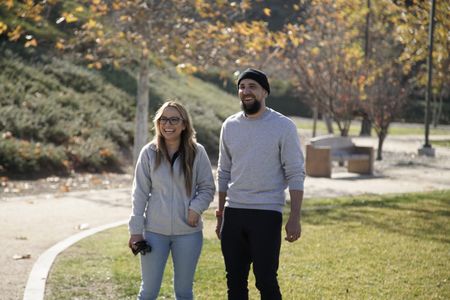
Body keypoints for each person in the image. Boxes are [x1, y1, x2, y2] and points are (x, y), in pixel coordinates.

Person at [216, 68, 305, 300]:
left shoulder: (283, 126)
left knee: (265, 279)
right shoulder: (230, 125)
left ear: (264, 91)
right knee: (234, 281)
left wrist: (295, 217)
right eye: (242, 87)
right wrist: (220, 216)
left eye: (252, 86)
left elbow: (295, 173)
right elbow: (224, 172)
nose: (246, 91)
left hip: (267, 214)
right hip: (234, 213)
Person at [128, 100, 215, 300]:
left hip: (189, 234)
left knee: (184, 292)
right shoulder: (149, 153)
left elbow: (207, 187)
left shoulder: (197, 152)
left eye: (174, 119)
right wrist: (135, 231)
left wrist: (196, 208)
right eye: (163, 119)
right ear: (158, 124)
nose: (168, 124)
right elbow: (139, 194)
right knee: (148, 291)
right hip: (154, 233)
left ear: (184, 124)